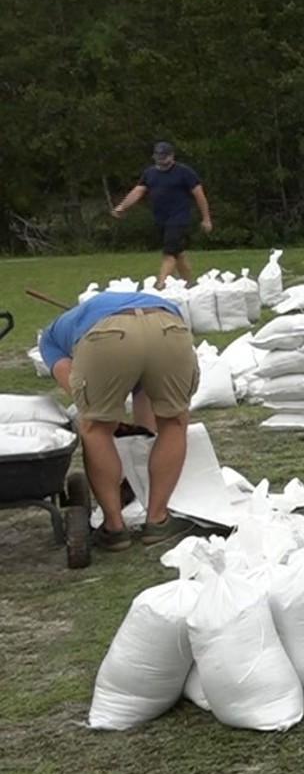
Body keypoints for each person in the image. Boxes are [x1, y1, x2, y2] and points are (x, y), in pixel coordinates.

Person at [40, 290, 199, 550]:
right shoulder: (100, 312)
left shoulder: (50, 340)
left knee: (94, 428)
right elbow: (146, 398)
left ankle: (114, 528)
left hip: (109, 338)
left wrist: (108, 419)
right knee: (173, 423)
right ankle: (158, 520)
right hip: (168, 327)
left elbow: (78, 390)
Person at [111, 142, 212, 284]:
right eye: (158, 156)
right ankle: (190, 284)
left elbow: (199, 195)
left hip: (179, 218)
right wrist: (122, 207)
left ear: (171, 156)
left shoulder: (184, 172)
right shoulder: (150, 173)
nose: (160, 160)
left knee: (169, 254)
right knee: (179, 253)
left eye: (163, 156)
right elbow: (138, 191)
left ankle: (160, 286)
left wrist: (206, 218)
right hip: (160, 219)